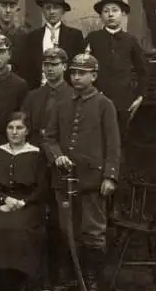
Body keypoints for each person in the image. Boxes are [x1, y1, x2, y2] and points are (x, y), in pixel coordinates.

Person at [43, 51, 120, 290]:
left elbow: (113, 144)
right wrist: (57, 156)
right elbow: (49, 138)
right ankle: (70, 278)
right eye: (73, 72)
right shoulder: (61, 104)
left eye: (82, 73)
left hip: (92, 179)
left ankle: (91, 279)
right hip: (64, 179)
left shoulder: (104, 105)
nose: (76, 77)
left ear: (94, 76)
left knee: (93, 231)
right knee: (67, 229)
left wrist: (110, 176)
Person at [20, 45, 74, 288]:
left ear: (65, 66)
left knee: (61, 221)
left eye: (55, 65)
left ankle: (60, 272)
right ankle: (33, 271)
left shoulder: (73, 95)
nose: (50, 69)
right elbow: (23, 128)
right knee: (34, 216)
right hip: (36, 163)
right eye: (47, 65)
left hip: (62, 164)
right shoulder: (33, 96)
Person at [0, 112, 48, 291]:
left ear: (27, 131)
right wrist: (4, 198)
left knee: (20, 229)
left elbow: (41, 187)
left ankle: (19, 280)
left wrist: (23, 202)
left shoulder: (37, 154)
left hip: (29, 205)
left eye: (19, 128)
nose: (14, 132)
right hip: (2, 202)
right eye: (10, 128)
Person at [84, 0, 149, 141]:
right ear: (101, 16)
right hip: (96, 98)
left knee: (120, 140)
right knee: (95, 139)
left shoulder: (130, 40)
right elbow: (83, 67)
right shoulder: (93, 38)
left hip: (123, 101)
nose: (110, 15)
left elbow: (143, 71)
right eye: (106, 11)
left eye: (115, 10)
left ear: (123, 14)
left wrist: (139, 96)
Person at [23, 0, 84, 89]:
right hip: (39, 90)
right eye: (48, 8)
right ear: (43, 10)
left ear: (63, 11)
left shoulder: (75, 36)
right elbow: (27, 68)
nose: (51, 12)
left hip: (67, 92)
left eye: (56, 8)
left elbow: (77, 67)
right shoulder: (33, 37)